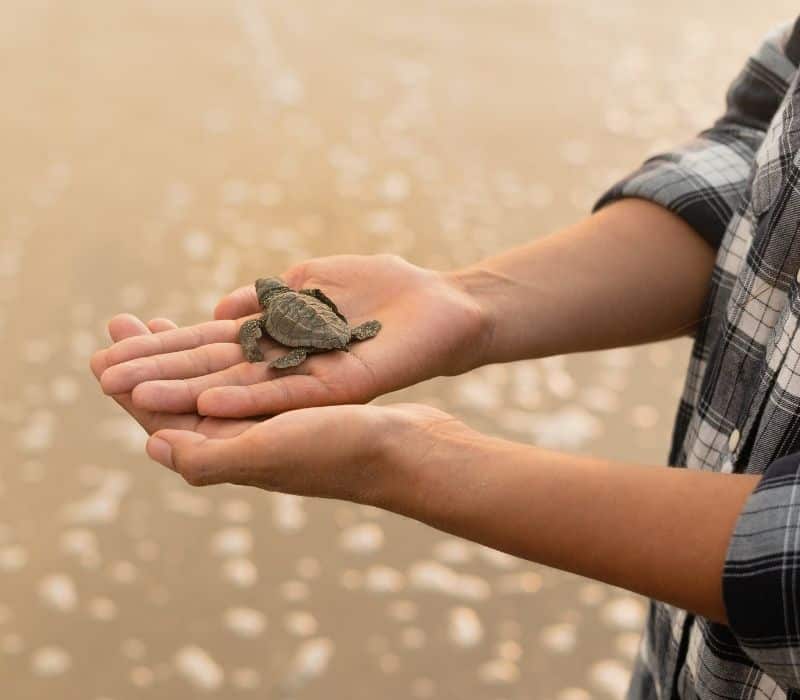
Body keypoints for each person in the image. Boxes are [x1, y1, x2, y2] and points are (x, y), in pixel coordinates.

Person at [90, 16, 800, 699]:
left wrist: (412, 458)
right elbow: (756, 150)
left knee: (280, 343)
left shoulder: (274, 318)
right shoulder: (314, 314)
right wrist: (467, 304)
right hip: (683, 665)